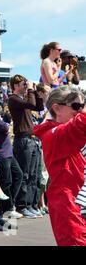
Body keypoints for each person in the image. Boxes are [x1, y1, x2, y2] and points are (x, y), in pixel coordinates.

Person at [33, 86, 86, 245]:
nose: (80, 111)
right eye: (76, 106)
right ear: (56, 108)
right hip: (70, 207)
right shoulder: (53, 135)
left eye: (82, 106)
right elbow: (81, 124)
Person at [8, 75, 45, 218]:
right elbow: (31, 105)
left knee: (34, 174)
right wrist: (30, 90)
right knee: (25, 174)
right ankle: (22, 205)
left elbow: (39, 106)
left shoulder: (23, 100)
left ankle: (32, 204)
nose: (24, 86)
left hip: (32, 139)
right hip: (23, 139)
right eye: (22, 84)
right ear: (15, 85)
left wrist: (34, 91)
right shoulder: (13, 99)